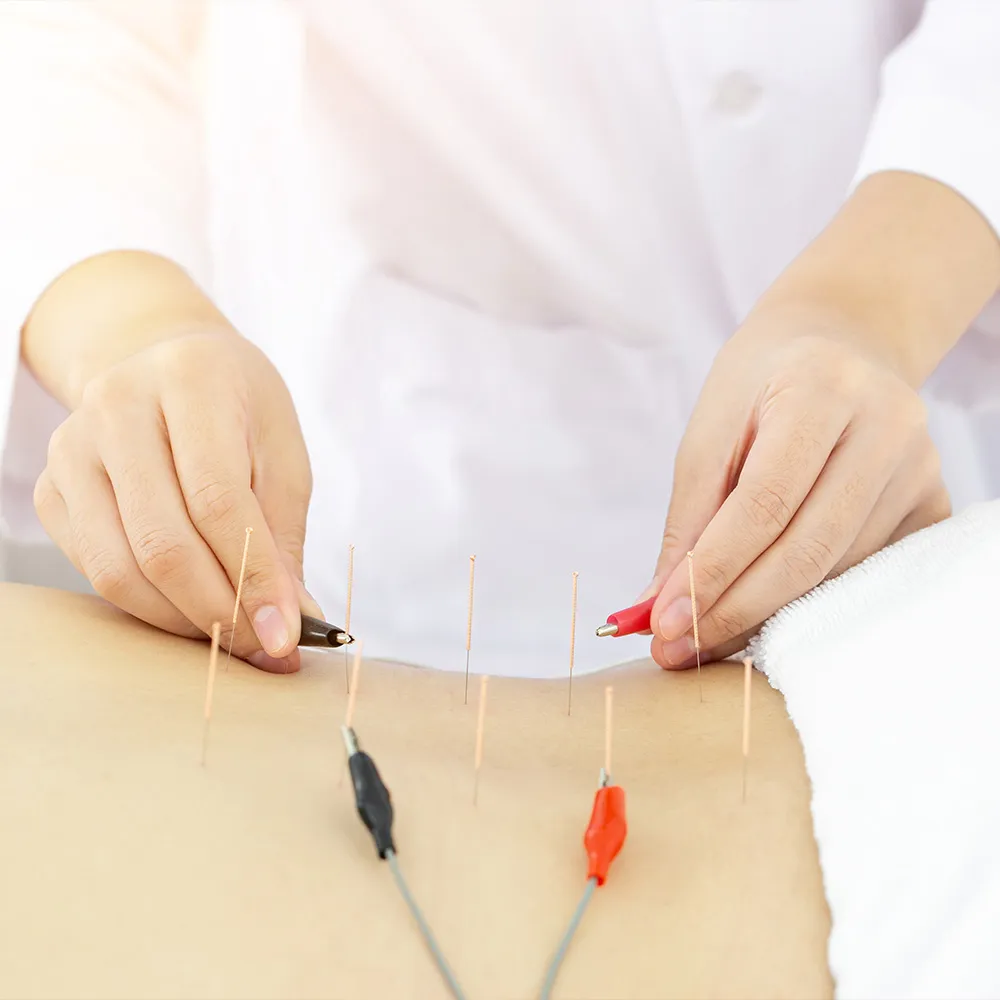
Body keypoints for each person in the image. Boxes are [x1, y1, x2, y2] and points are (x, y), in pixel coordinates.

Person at [1, 1, 998, 678]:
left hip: (895, 482)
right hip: (411, 500)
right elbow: (76, 33)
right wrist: (130, 323)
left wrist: (870, 303)